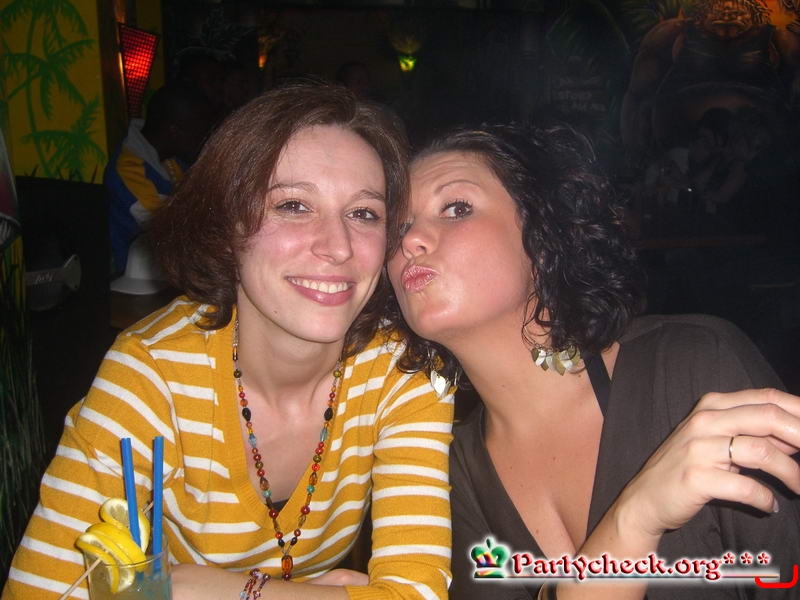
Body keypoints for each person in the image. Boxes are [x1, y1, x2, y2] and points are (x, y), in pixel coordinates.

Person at [4, 82, 453, 599]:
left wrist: (205, 590)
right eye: (293, 205)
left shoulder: (401, 371)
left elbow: (418, 593)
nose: (338, 247)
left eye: (364, 213)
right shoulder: (153, 374)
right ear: (226, 227)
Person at [385, 121, 800, 599]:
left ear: (543, 240)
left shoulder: (694, 368)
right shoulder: (441, 473)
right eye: (399, 227)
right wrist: (632, 521)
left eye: (456, 208)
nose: (410, 241)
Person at [105, 82, 217, 273]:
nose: (205, 140)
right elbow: (169, 228)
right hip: (136, 279)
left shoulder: (170, 158)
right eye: (200, 132)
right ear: (174, 131)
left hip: (164, 271)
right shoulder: (129, 170)